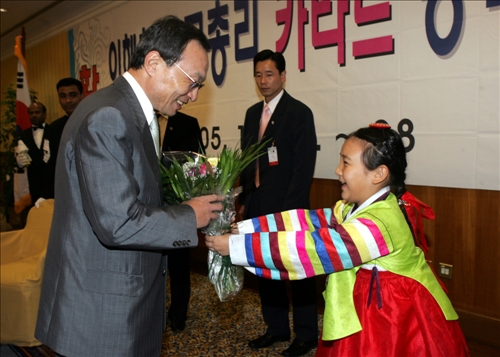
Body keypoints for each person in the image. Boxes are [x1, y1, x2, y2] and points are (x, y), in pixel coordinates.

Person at [35, 15, 223, 357]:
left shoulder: (128, 111)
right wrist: (188, 215)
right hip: (100, 315)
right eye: (192, 82)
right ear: (153, 63)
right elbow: (118, 223)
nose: (193, 96)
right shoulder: (109, 116)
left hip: (117, 302)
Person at [206, 124, 470, 357]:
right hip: (370, 303)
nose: (337, 170)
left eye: (346, 163)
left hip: (394, 315)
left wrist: (235, 247)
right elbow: (305, 222)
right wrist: (244, 230)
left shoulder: (378, 224)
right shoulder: (353, 206)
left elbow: (313, 250)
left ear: (378, 174)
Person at [238, 49, 318, 356]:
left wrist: (291, 211)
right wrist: (245, 200)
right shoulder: (250, 114)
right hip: (257, 206)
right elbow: (248, 161)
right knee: (265, 269)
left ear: (283, 76)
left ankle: (307, 333)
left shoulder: (299, 113)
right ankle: (276, 328)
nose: (263, 81)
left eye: (269, 74)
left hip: (289, 209)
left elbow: (303, 167)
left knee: (298, 272)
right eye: (258, 75)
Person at [158, 110, 204, 333]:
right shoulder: (138, 117)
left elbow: (197, 164)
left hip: (177, 204)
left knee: (178, 263)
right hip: (145, 204)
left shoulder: (187, 123)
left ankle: (178, 313)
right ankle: (152, 313)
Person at [38, 77, 85, 203]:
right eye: (63, 96)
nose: (68, 100)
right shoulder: (54, 127)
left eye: (73, 95)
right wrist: (45, 195)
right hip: (65, 192)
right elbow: (52, 163)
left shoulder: (93, 120)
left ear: (82, 95)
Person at [15, 102, 50, 209]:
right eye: (31, 113)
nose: (34, 115)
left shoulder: (53, 130)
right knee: (35, 214)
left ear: (45, 114)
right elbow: (20, 160)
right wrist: (19, 163)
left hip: (51, 181)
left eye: (37, 112)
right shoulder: (22, 135)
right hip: (33, 183)